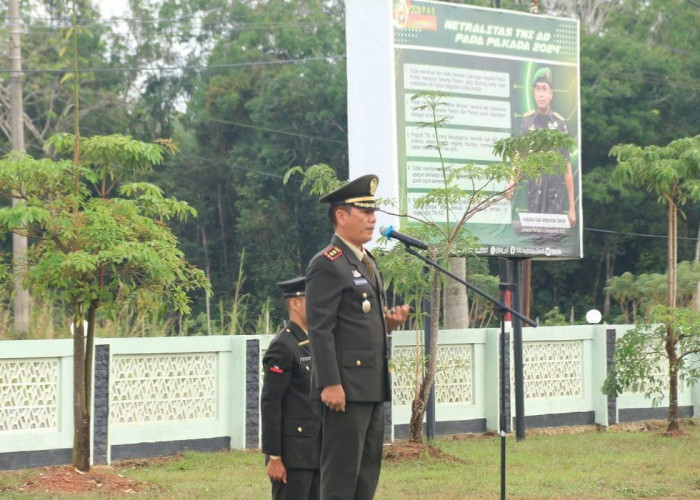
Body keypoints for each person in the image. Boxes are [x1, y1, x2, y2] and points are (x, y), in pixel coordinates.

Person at [305, 174, 410, 500]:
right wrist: (330, 383)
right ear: (340, 216)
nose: (372, 218)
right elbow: (320, 329)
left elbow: (355, 322)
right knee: (340, 478)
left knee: (366, 478)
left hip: (370, 386)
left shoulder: (367, 262)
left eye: (373, 212)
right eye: (364, 212)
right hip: (345, 390)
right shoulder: (328, 264)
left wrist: (388, 324)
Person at [261, 276, 321, 500]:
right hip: (293, 455)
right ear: (295, 304)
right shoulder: (283, 346)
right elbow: (271, 402)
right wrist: (274, 456)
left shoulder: (314, 341)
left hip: (317, 450)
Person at [511, 66, 577, 231]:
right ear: (533, 93)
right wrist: (512, 180)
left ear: (551, 94)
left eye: (544, 89)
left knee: (552, 241)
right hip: (534, 191)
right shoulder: (527, 123)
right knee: (532, 240)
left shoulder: (560, 125)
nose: (541, 93)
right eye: (538, 89)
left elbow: (567, 167)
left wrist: (572, 208)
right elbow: (521, 155)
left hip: (554, 193)